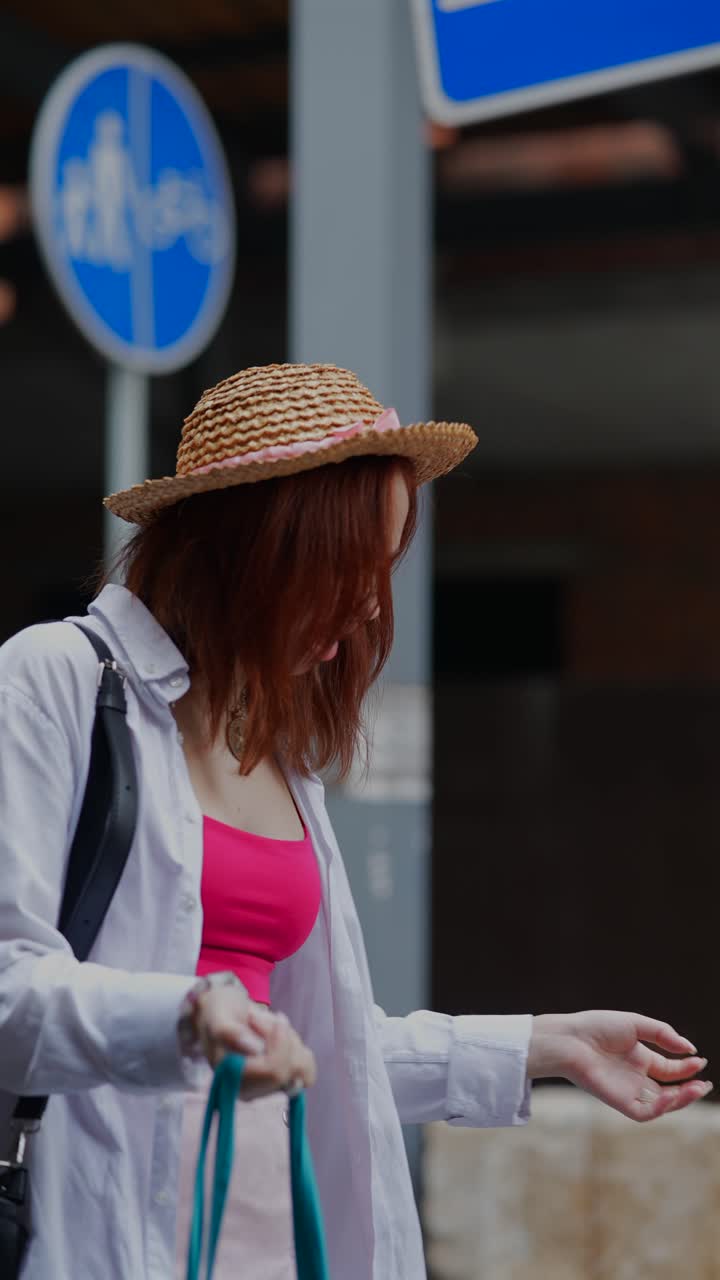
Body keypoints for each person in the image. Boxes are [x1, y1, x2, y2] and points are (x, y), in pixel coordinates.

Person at [0, 362, 710, 1280]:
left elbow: (321, 1045)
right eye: (345, 565)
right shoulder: (57, 678)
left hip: (277, 1236)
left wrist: (544, 1043)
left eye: (381, 569)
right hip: (100, 1229)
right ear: (247, 547)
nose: (372, 602)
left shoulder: (280, 754)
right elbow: (10, 993)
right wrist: (187, 1021)